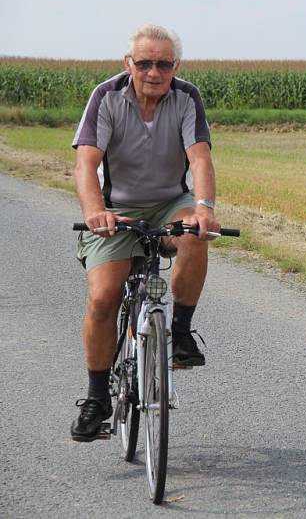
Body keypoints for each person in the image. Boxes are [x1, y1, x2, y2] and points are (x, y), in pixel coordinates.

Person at [70, 24, 220, 442]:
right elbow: (86, 164)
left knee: (194, 232)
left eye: (164, 64)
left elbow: (201, 160)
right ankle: (96, 397)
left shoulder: (187, 98)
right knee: (103, 298)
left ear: (176, 67)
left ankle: (182, 332)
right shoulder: (106, 96)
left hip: (169, 201)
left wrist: (205, 209)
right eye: (145, 63)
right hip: (115, 208)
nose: (154, 72)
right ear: (128, 64)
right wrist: (96, 210)